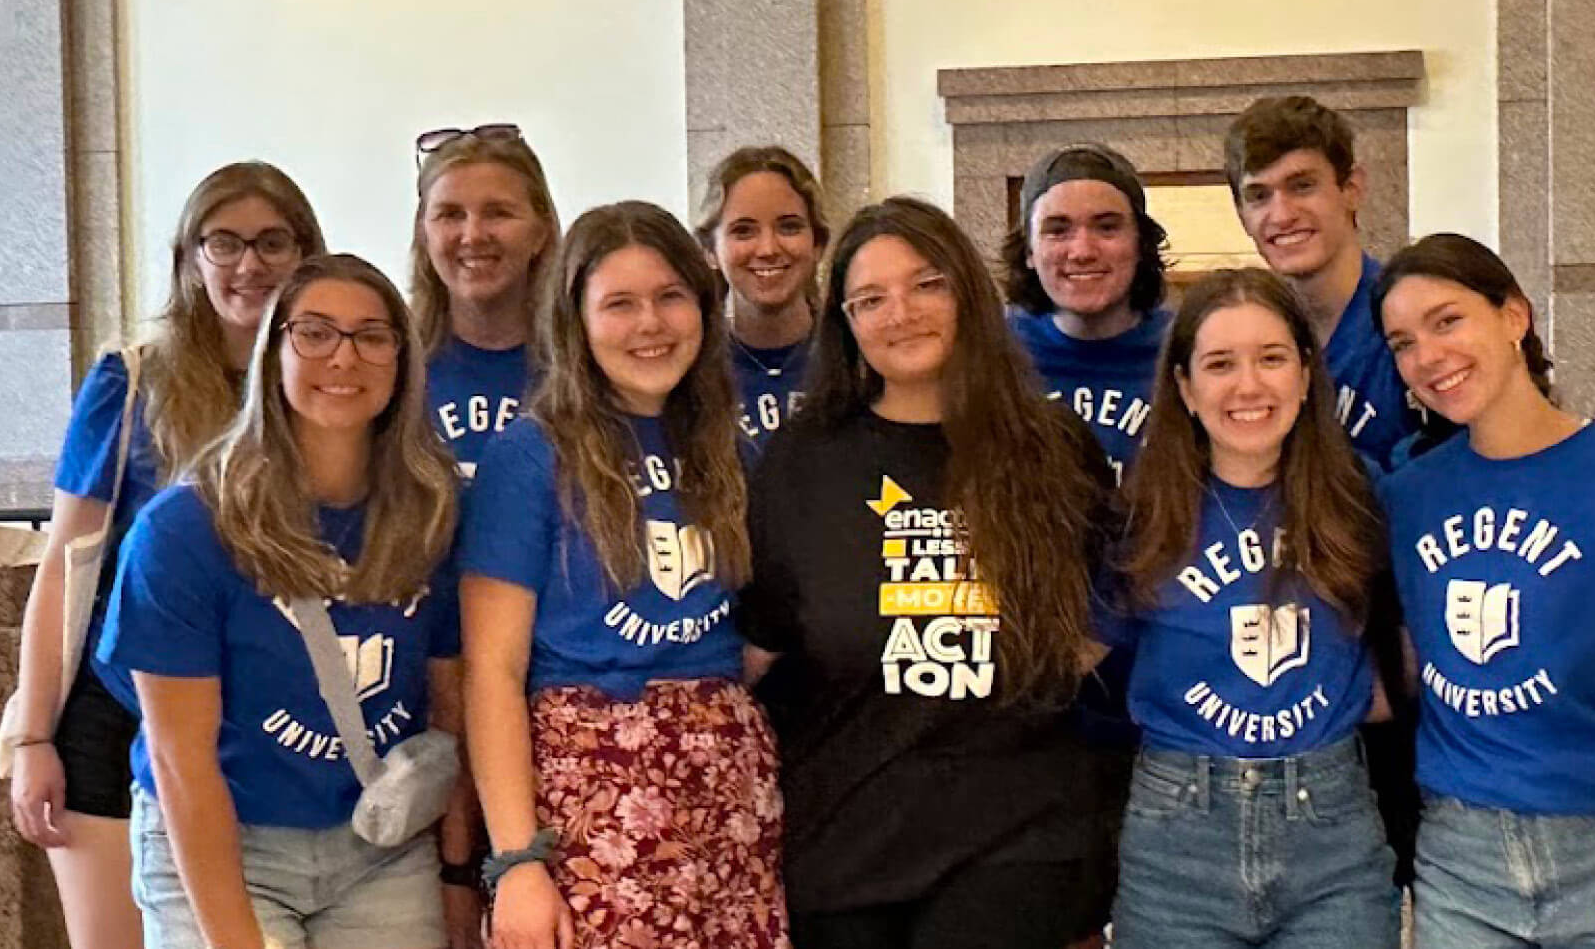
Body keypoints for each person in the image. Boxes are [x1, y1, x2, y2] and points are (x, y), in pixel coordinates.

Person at [741, 196, 1117, 949]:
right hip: (846, 834)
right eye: (869, 299)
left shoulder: (1053, 446)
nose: (900, 313)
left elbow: (1099, 628)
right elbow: (761, 647)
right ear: (844, 323)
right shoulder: (802, 461)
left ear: (966, 294)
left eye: (925, 284)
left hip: (1018, 834)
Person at [98, 253, 469, 949]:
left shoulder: (433, 512)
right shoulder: (184, 531)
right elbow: (183, 761)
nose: (344, 356)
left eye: (372, 335)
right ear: (275, 354)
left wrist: (459, 876)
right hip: (226, 837)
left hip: (378, 837)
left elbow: (450, 709)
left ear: (402, 360)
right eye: (316, 332)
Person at [3, 161, 324, 949]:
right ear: (190, 259)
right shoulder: (133, 381)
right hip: (115, 716)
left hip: (260, 730)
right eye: (225, 243)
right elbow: (66, 565)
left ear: (307, 254)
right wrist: (34, 735)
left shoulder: (336, 384)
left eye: (273, 242)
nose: (250, 264)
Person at [1375, 233, 1595, 948]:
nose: (1428, 356)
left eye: (1448, 321)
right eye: (1403, 342)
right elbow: (1409, 659)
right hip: (1461, 857)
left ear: (1514, 316)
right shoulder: (1408, 497)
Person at [461, 201, 786, 948]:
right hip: (592, 797)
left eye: (671, 297)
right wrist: (517, 862)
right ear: (576, 321)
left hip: (727, 792)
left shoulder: (726, 450)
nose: (651, 324)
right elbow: (491, 671)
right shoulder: (531, 456)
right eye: (620, 304)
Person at [1103, 268, 1399, 948]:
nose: (1248, 386)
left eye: (1271, 358)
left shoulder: (1360, 495)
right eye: (1219, 364)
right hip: (1177, 833)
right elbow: (1083, 663)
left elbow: (1406, 640)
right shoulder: (1140, 514)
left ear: (1304, 372)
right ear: (1184, 385)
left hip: (1331, 829)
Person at [1223, 95, 1427, 468]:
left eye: (1302, 186)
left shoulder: (1410, 321)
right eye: (1259, 196)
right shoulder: (1245, 339)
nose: (1281, 215)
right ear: (1241, 214)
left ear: (1352, 189)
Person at [1000, 142, 1171, 485]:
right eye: (1058, 230)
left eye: (1106, 227)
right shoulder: (993, 353)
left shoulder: (1187, 350)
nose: (1082, 251)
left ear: (1140, 243)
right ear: (1030, 251)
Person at [410, 123, 560, 480]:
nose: (473, 235)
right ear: (423, 232)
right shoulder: (390, 364)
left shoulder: (583, 366)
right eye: (450, 214)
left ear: (540, 232)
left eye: (498, 213)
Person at [693, 145, 831, 454]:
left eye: (789, 227)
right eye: (743, 231)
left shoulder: (854, 359)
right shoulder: (690, 369)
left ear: (818, 243)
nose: (767, 248)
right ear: (710, 251)